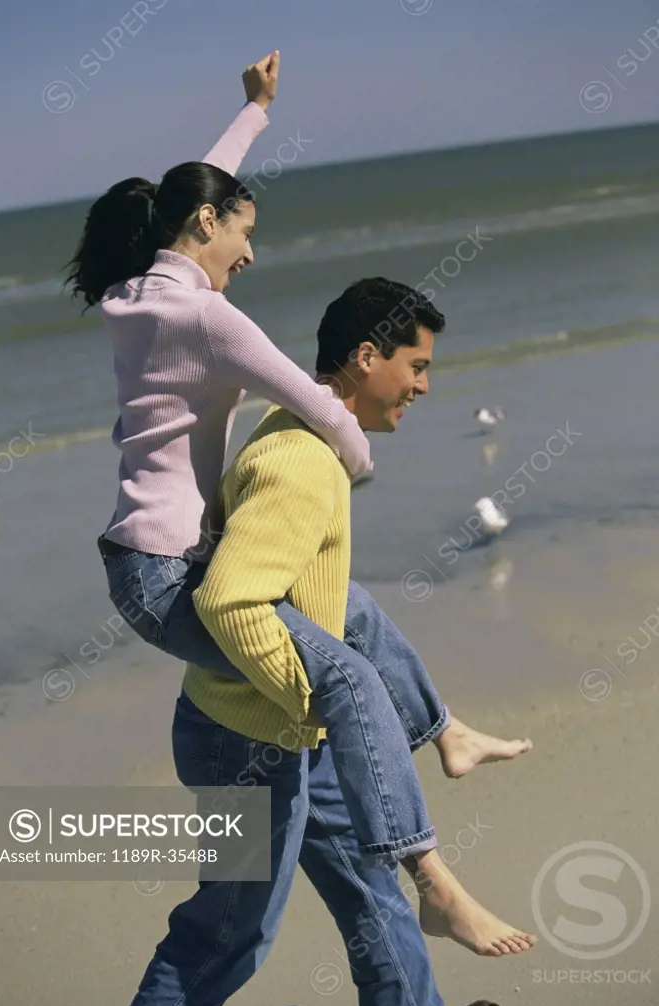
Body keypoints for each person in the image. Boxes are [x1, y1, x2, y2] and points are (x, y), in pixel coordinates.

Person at [66, 50, 532, 933]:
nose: (250, 250)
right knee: (348, 685)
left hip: (146, 564)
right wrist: (355, 459)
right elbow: (311, 397)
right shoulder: (203, 315)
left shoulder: (139, 292)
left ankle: (445, 734)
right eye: (242, 231)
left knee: (348, 609)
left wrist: (254, 113)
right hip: (168, 575)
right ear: (207, 224)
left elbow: (195, 198)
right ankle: (430, 878)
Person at [117, 277, 516, 1006]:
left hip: (283, 728)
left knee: (370, 888)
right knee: (233, 934)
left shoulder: (307, 436)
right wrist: (323, 697)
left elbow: (316, 605)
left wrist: (331, 709)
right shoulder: (302, 460)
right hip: (242, 736)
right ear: (368, 358)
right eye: (418, 366)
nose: (425, 386)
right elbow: (230, 599)